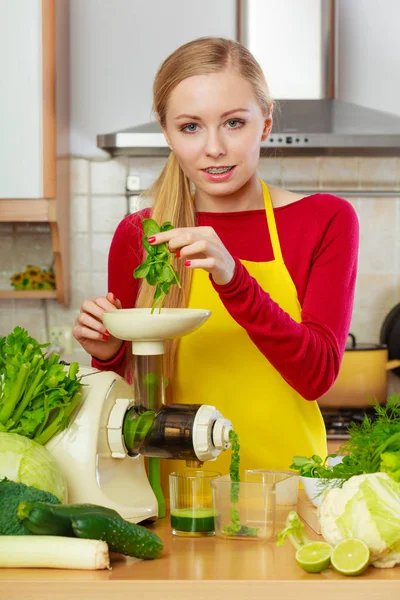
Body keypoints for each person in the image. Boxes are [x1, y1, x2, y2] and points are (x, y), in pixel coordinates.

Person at [73, 37, 359, 479]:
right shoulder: (143, 235)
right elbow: (128, 409)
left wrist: (234, 279)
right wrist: (109, 354)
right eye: (190, 127)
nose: (214, 147)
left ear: (264, 124)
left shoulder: (325, 219)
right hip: (171, 499)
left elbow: (317, 375)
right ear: (166, 132)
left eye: (233, 123)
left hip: (287, 494)